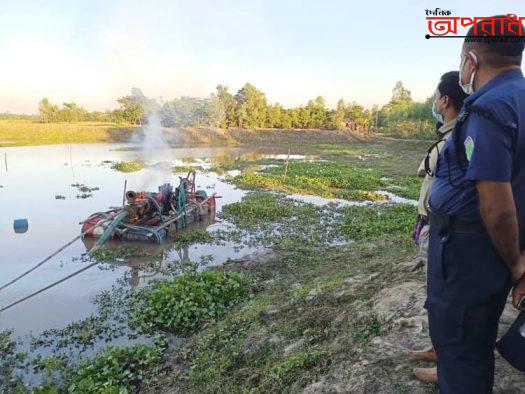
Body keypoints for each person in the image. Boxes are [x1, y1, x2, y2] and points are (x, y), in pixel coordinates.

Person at [425, 17, 525, 393]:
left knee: (460, 350)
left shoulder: (489, 108)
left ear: (471, 59)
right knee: (474, 342)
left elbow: (496, 205)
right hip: (489, 250)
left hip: (469, 253)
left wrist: (517, 263)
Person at [409, 71, 467, 383]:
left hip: (445, 228)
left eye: (435, 97)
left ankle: (446, 364)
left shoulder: (456, 137)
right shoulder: (447, 134)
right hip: (434, 222)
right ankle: (437, 348)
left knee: (444, 296)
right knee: (437, 294)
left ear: (445, 100)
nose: (433, 102)